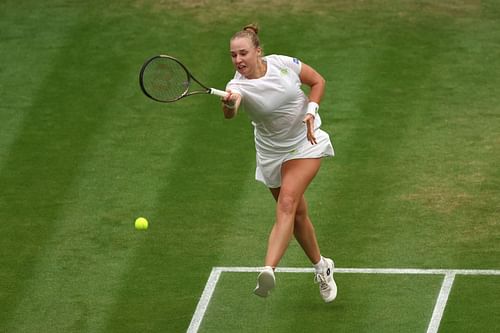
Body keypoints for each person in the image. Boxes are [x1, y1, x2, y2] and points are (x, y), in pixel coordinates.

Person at [221, 24, 337, 303]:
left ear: (258, 51)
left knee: (287, 203)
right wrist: (229, 103)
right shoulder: (235, 86)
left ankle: (268, 269)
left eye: (243, 53)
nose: (238, 60)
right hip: (271, 153)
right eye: (233, 55)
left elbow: (318, 81)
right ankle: (322, 267)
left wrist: (311, 111)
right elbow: (230, 112)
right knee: (297, 215)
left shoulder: (283, 64)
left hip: (305, 142)